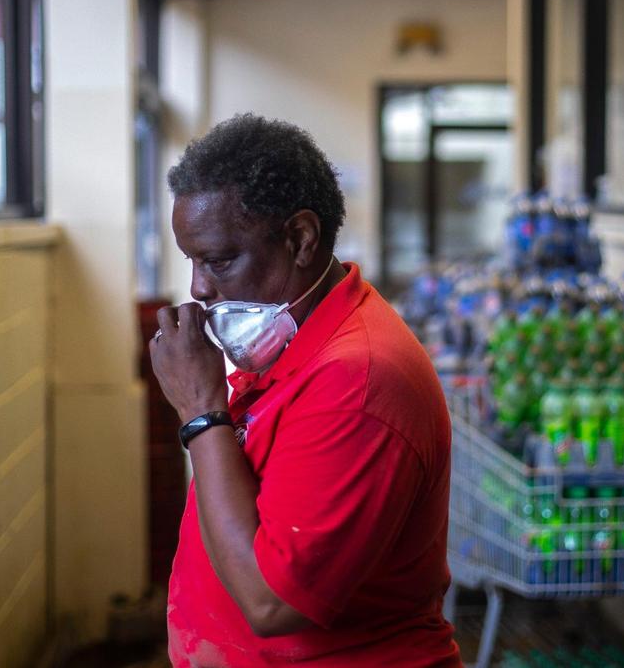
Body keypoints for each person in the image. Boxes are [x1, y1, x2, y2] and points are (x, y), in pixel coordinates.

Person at [150, 114, 461, 667]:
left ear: (300, 238)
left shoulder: (358, 380)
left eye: (218, 259)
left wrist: (201, 411)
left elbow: (272, 602)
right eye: (191, 261)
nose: (199, 287)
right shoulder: (292, 341)